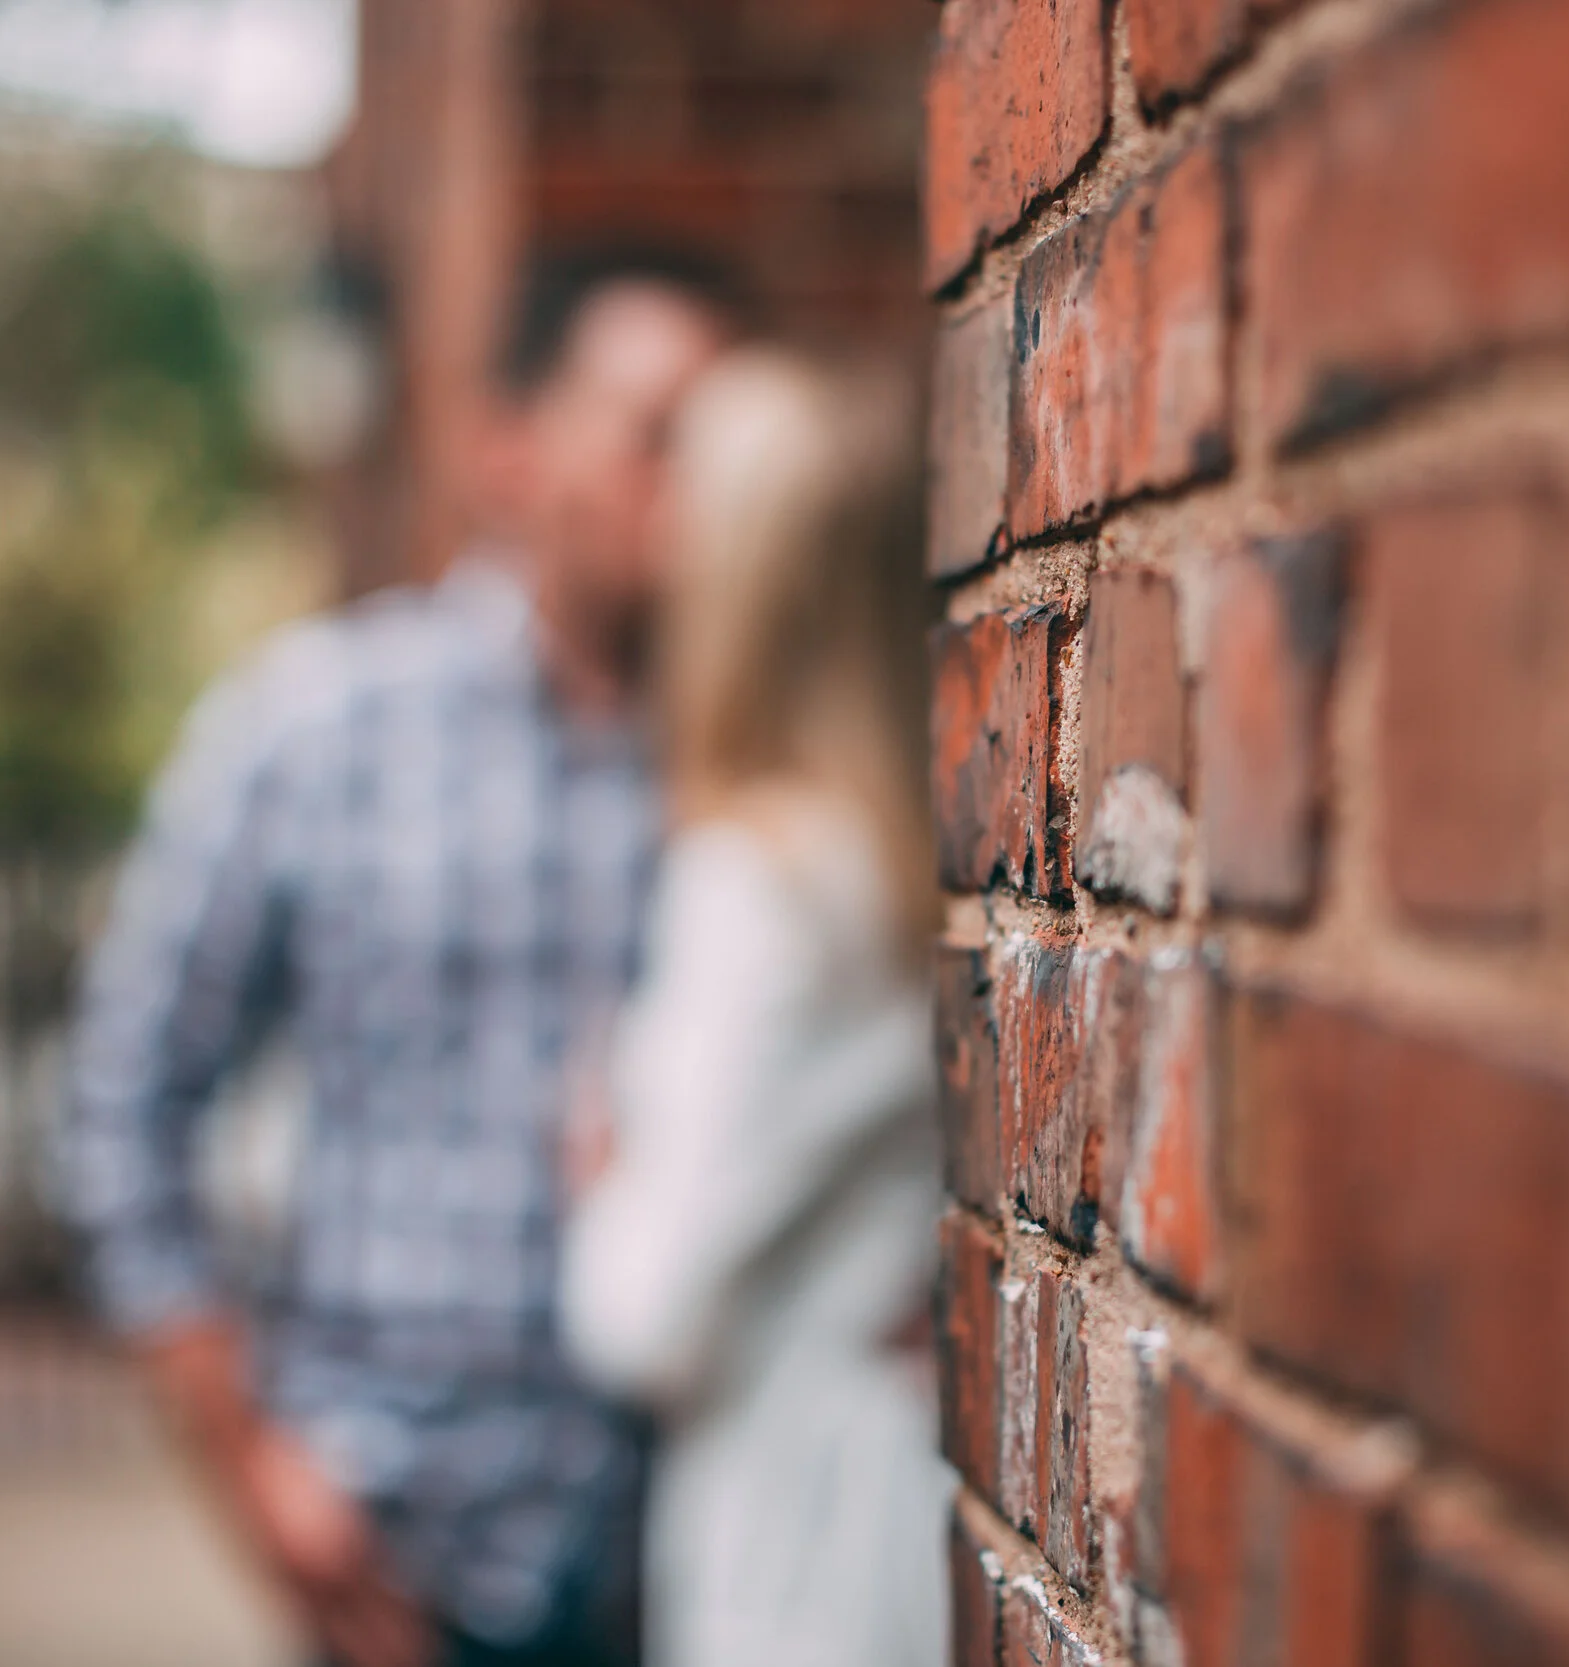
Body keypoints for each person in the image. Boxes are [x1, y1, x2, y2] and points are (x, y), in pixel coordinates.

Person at [59, 248, 740, 1667]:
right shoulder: (314, 726)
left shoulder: (771, 770)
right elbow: (122, 1101)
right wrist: (254, 1472)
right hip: (398, 1553)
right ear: (511, 449)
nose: (695, 489)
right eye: (654, 435)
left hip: (703, 1557)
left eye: (725, 444)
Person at [556, 350, 949, 1667]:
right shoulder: (892, 862)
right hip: (890, 1503)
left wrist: (602, 1176)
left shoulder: (758, 884)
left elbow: (646, 1313)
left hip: (793, 1544)